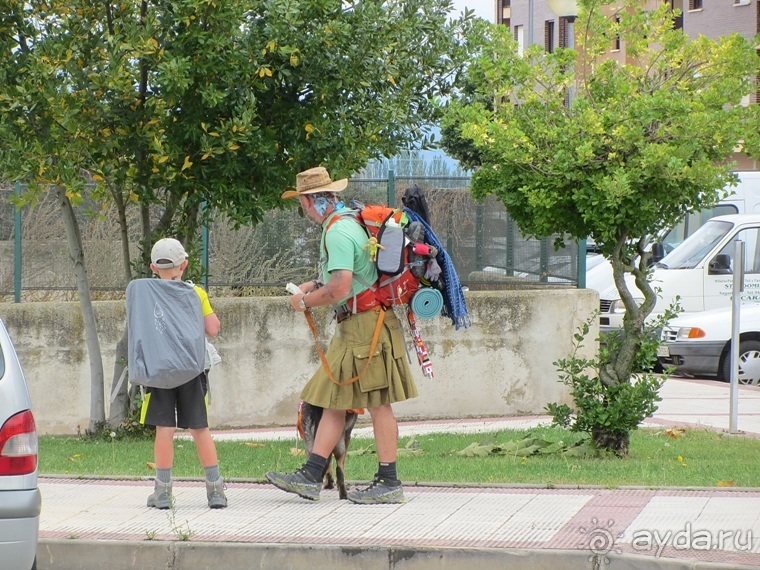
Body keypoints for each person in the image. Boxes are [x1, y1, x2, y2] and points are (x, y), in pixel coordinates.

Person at [267, 166, 419, 504]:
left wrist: (305, 301)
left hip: (366, 327)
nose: (303, 209)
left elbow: (341, 286)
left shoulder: (336, 232)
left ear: (309, 200)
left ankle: (389, 482)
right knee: (334, 400)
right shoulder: (347, 222)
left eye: (302, 202)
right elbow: (347, 276)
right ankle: (311, 475)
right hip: (361, 325)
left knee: (379, 404)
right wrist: (313, 285)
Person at [141, 237, 227, 509]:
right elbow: (212, 329)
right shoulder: (195, 293)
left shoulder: (147, 295)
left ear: (153, 268)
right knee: (200, 428)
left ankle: (163, 491)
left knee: (164, 429)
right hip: (190, 369)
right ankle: (215, 490)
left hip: (160, 371)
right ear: (185, 265)